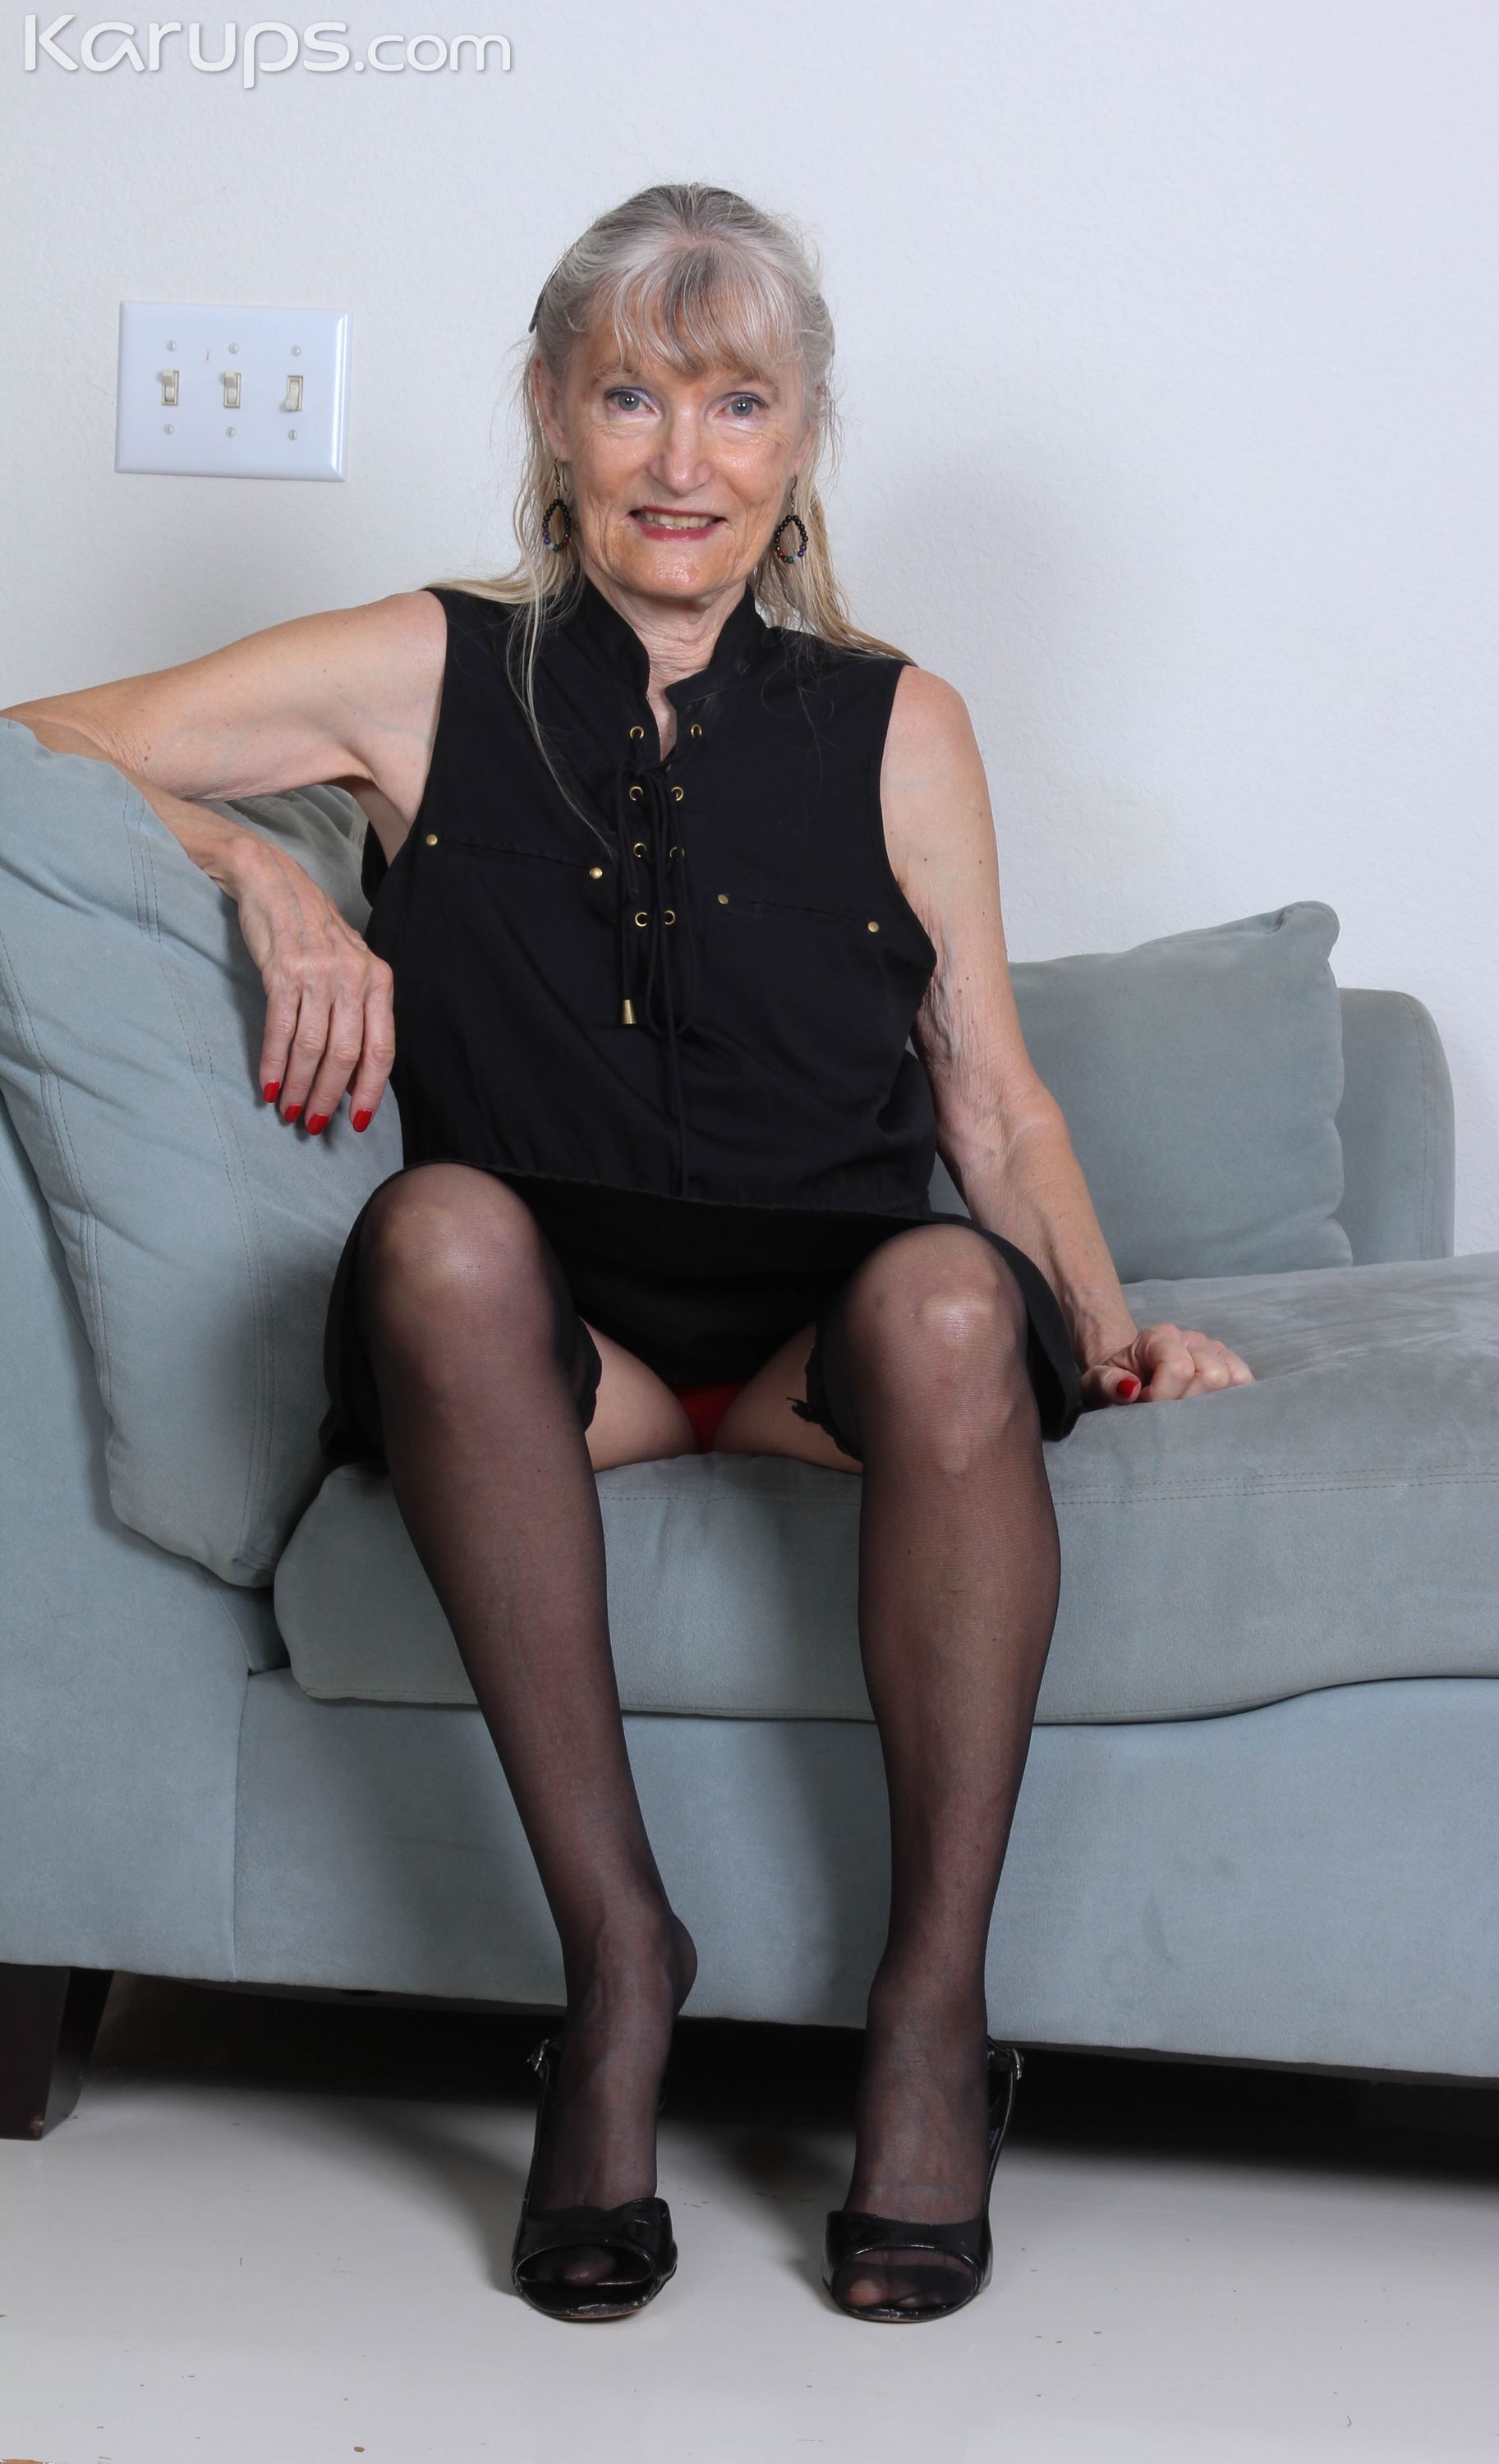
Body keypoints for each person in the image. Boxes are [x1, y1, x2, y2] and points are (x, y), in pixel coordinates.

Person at [5, 182, 1253, 2324]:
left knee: (956, 1292)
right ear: (550, 412)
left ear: (802, 434)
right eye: (632, 398)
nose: (684, 461)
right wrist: (260, 878)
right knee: (432, 1234)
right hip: (552, 1353)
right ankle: (614, 1973)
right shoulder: (419, 671)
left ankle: (931, 2016)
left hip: (826, 1347)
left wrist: (1121, 1332)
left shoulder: (900, 723)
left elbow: (991, 1099)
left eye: (738, 404)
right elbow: (37, 751)